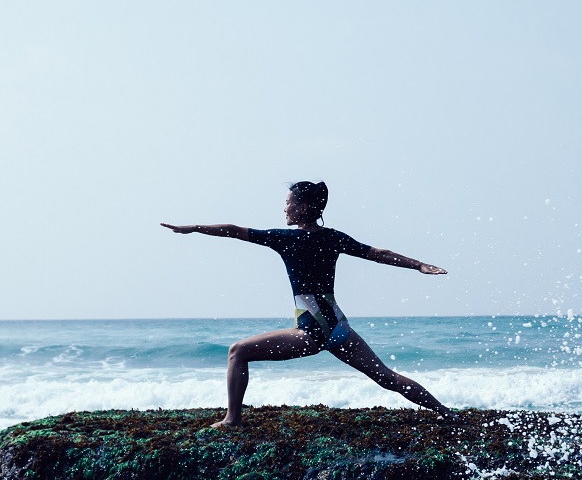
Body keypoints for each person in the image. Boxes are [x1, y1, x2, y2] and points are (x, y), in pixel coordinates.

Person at [162, 181, 450, 428]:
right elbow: (377, 253)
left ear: (302, 207)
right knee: (386, 377)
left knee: (238, 352)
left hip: (311, 331)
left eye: (288, 203)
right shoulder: (333, 237)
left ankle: (232, 419)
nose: (284, 208)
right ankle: (446, 412)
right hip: (339, 328)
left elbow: (234, 230)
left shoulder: (284, 238)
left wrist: (195, 228)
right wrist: (420, 265)